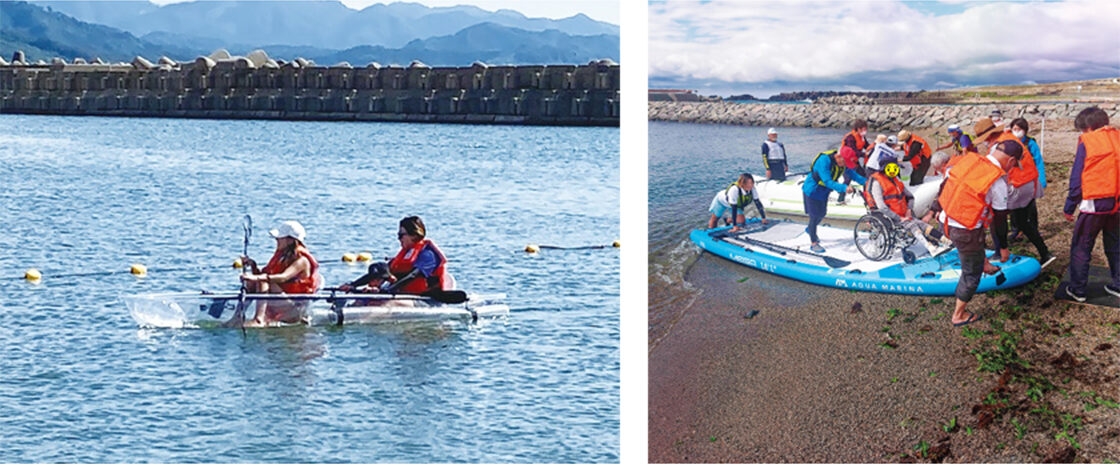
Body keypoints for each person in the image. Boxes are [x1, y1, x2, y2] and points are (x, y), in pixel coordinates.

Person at [938, 140, 1023, 327]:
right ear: (1010, 161)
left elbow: (945, 185)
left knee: (977, 239)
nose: (1012, 169)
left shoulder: (968, 160)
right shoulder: (997, 181)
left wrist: (934, 210)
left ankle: (983, 262)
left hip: (945, 219)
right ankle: (958, 315)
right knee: (971, 273)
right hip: (964, 230)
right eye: (1015, 165)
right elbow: (1000, 220)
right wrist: (1003, 248)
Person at [1062, 107, 1120, 302]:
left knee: (1082, 246)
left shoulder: (1088, 142)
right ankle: (1118, 285)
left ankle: (1078, 289)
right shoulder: (1118, 137)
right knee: (1115, 244)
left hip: (1095, 203)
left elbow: (1077, 179)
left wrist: (1070, 206)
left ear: (1088, 127)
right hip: (1117, 202)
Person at [234, 220, 324, 326]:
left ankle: (259, 320)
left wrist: (257, 278)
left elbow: (283, 277)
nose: (277, 239)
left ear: (290, 240)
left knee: (263, 280)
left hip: (294, 309)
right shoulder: (282, 256)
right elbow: (263, 276)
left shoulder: (302, 260)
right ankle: (236, 317)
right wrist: (253, 266)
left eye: (280, 238)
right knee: (254, 282)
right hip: (281, 302)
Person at [992, 118, 1054, 267]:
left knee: (996, 217)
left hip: (1017, 185)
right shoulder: (1012, 140)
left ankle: (1000, 252)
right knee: (1022, 221)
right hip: (1030, 183)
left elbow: (997, 169)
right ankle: (1045, 253)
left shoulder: (998, 146)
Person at [862, 162, 944, 256]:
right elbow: (882, 207)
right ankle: (930, 247)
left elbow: (910, 197)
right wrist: (899, 218)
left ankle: (945, 241)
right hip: (887, 217)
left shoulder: (896, 181)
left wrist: (909, 210)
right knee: (912, 225)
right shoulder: (877, 183)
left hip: (903, 214)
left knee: (921, 223)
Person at [802, 148, 861, 253]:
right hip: (812, 191)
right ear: (839, 157)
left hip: (823, 192)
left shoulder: (842, 162)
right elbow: (827, 181)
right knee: (814, 216)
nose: (844, 165)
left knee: (822, 214)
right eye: (844, 162)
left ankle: (810, 229)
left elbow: (854, 176)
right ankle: (814, 242)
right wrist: (844, 188)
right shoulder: (824, 160)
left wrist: (870, 182)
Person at [386, 216, 456, 295]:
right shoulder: (405, 254)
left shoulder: (427, 255)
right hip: (400, 292)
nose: (399, 239)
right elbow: (386, 271)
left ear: (414, 235)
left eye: (401, 235)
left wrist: (389, 290)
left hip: (422, 296)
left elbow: (412, 276)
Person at [838, 119, 871, 203]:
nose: (865, 131)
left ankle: (867, 197)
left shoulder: (862, 137)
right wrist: (864, 154)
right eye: (863, 129)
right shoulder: (850, 137)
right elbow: (853, 151)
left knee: (864, 177)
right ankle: (840, 199)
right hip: (846, 162)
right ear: (858, 129)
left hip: (855, 162)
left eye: (865, 129)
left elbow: (867, 146)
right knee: (847, 180)